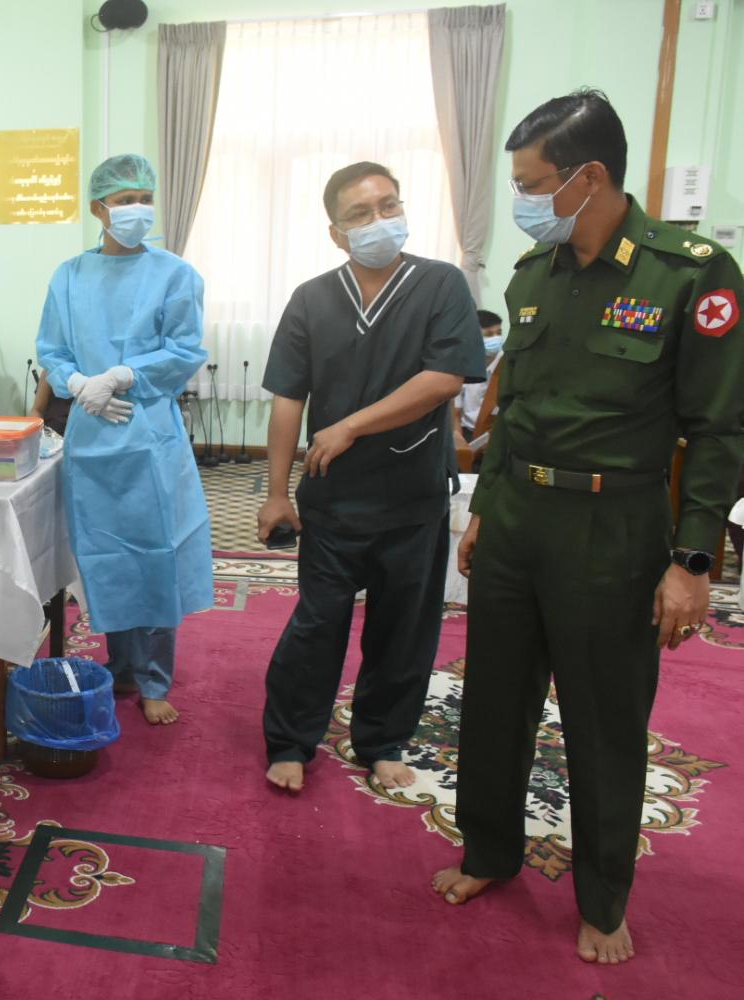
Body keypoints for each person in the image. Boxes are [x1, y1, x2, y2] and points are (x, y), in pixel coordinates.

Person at [431, 89, 744, 965]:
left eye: (533, 185)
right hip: (518, 517)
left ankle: (604, 896)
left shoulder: (689, 273)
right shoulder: (535, 275)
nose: (523, 201)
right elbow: (515, 409)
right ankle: (489, 852)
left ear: (589, 177)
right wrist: (485, 510)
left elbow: (720, 429)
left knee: (604, 722)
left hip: (614, 529)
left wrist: (692, 560)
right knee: (493, 702)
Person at [257, 161, 486, 792]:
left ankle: (382, 740)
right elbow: (287, 396)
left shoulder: (440, 284)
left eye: (389, 205)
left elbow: (444, 379)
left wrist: (351, 426)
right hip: (332, 499)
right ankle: (291, 741)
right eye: (361, 214)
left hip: (412, 496)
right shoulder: (312, 298)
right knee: (317, 624)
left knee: (403, 629)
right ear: (337, 233)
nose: (379, 221)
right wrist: (276, 493)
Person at [35, 153, 211, 727]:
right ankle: (123, 666)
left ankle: (155, 678)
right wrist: (77, 382)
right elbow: (53, 349)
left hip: (150, 434)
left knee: (156, 553)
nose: (138, 208)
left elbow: (185, 350)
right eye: (125, 199)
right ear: (98, 208)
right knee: (107, 555)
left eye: (145, 198)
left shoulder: (175, 275)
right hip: (92, 435)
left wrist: (124, 374)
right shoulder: (69, 276)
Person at [452, 309, 505, 446]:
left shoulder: (506, 363)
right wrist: (461, 446)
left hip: (502, 433)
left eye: (499, 333)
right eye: (489, 334)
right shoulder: (462, 367)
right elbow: (455, 413)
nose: (496, 339)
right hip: (472, 434)